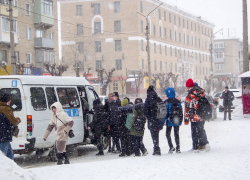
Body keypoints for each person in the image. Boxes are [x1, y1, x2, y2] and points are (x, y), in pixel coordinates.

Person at [184, 79, 210, 153]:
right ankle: (205, 143)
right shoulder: (201, 92)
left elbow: (187, 108)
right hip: (201, 115)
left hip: (193, 117)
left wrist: (186, 120)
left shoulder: (189, 95)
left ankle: (195, 147)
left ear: (189, 86)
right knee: (201, 130)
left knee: (194, 132)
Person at [0, 93, 21, 160]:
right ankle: (4, 169)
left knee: (10, 155)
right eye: (9, 100)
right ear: (7, 101)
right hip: (4, 135)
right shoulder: (6, 109)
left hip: (3, 135)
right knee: (4, 157)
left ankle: (10, 169)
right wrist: (18, 119)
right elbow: (13, 122)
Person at [144, 85, 163, 155]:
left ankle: (156, 148)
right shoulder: (158, 98)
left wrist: (147, 116)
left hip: (151, 119)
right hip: (158, 119)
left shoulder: (148, 99)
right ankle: (157, 147)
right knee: (157, 134)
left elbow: (145, 110)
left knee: (153, 134)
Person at [162, 87, 182, 154]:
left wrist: (162, 122)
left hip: (169, 120)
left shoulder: (166, 102)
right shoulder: (178, 101)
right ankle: (178, 148)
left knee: (168, 134)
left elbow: (164, 114)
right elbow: (181, 111)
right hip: (176, 120)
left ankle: (171, 147)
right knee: (176, 134)